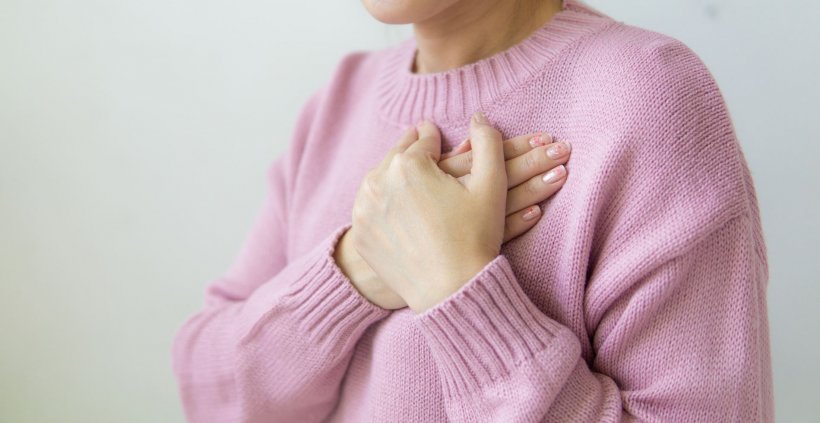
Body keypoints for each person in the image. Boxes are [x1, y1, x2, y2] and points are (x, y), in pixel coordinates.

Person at [171, 0, 773, 421]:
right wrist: (354, 270)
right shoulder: (339, 100)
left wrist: (458, 289)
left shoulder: (647, 97)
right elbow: (211, 393)